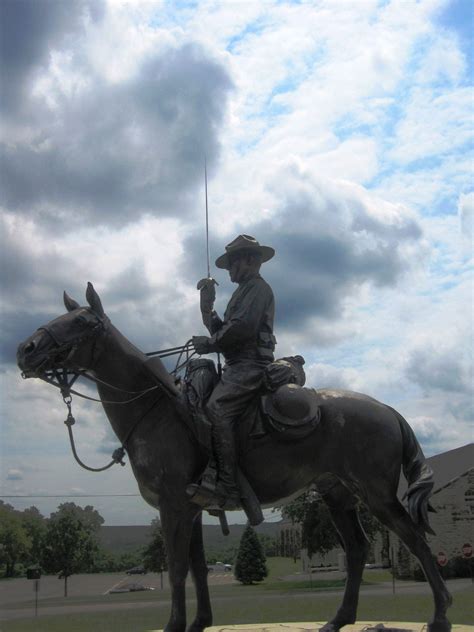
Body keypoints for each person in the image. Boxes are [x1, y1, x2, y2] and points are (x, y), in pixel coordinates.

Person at [192, 234, 277, 509]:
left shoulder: (258, 289)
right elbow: (223, 332)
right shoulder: (242, 292)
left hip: (251, 365)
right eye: (227, 265)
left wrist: (210, 344)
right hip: (236, 366)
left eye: (232, 264)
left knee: (217, 408)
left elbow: (241, 328)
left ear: (251, 261)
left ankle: (228, 486)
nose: (229, 270)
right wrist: (207, 308)